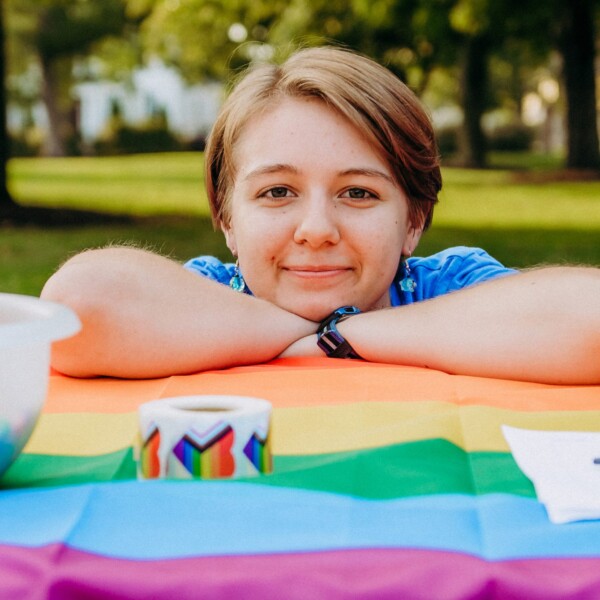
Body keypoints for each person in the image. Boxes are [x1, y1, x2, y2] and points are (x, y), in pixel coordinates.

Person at [41, 46, 600, 384]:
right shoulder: (207, 295)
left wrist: (349, 334)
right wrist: (310, 333)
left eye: (358, 194)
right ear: (227, 218)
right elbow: (76, 308)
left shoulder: (447, 287)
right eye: (278, 192)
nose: (315, 231)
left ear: (413, 221)